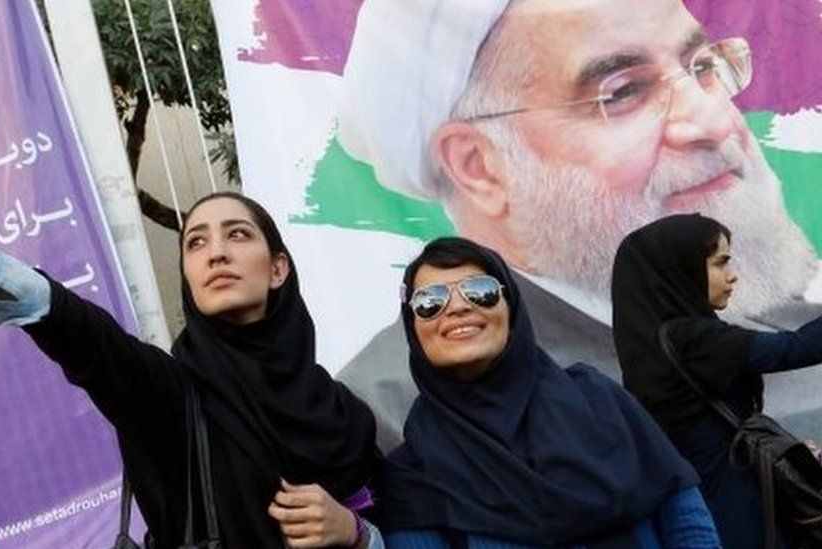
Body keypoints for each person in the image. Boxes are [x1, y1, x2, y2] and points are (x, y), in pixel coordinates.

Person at [336, 0, 821, 453]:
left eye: (703, 67)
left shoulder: (774, 318)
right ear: (478, 166)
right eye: (624, 91)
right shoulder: (392, 411)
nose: (714, 121)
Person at [0, 136, 385, 548]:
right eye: (195, 243)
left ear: (278, 268)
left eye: (237, 235)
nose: (216, 252)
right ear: (188, 276)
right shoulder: (169, 394)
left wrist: (355, 533)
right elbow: (81, 333)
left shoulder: (345, 414)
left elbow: (397, 527)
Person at [375, 237, 719, 548]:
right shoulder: (414, 472)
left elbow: (686, 522)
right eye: (430, 301)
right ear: (413, 327)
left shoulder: (598, 399)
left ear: (511, 308)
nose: (458, 307)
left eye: (479, 290)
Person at [611, 214, 822, 549]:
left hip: (707, 506)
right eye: (719, 263)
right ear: (679, 270)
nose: (732, 276)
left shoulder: (652, 340)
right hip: (736, 509)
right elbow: (795, 348)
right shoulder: (692, 339)